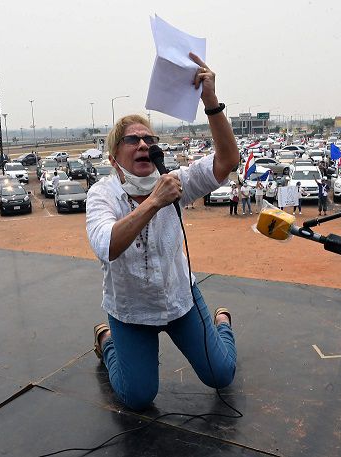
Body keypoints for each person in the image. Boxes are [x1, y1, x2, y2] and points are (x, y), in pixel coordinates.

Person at [86, 53, 238, 411]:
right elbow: (107, 246)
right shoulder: (102, 194)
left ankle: (222, 323)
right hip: (130, 312)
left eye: (148, 138)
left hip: (179, 301)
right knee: (137, 397)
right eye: (131, 139)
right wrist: (153, 201)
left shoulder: (175, 182)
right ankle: (108, 341)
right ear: (113, 159)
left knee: (222, 376)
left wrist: (210, 100)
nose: (142, 144)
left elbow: (227, 161)